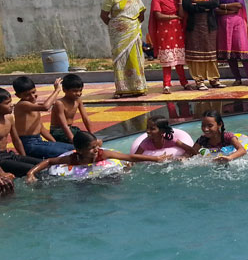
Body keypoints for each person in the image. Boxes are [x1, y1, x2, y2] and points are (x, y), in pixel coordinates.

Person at [25, 129, 168, 182]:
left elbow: (129, 157)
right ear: (79, 151)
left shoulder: (103, 154)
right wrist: (31, 173)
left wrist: (156, 159)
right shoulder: (73, 158)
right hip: (81, 177)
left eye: (96, 146)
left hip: (105, 174)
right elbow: (49, 161)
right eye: (92, 148)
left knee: (114, 178)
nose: (96, 150)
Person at [100, 0, 148, 97]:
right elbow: (104, 15)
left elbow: (141, 14)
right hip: (118, 36)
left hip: (133, 33)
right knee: (120, 60)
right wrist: (116, 27)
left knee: (135, 59)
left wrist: (131, 25)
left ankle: (139, 87)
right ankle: (122, 89)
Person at [0, 86, 44, 179]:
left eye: (11, 101)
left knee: (42, 164)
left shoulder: (9, 118)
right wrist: (1, 173)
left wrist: (24, 158)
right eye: (7, 103)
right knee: (32, 169)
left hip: (7, 155)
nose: (11, 105)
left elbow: (16, 140)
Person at [148, 0, 189, 93]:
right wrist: (174, 17)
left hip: (177, 31)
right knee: (167, 60)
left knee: (179, 59)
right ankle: (166, 85)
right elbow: (158, 15)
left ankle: (184, 83)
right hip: (164, 31)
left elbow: (182, 15)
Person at [181, 0, 222, 90]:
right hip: (194, 25)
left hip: (209, 25)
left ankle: (214, 79)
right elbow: (187, 5)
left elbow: (216, 3)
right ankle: (199, 80)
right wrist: (206, 6)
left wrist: (198, 3)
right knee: (196, 53)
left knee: (210, 52)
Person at [12, 76, 71, 158]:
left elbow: (41, 129)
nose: (32, 96)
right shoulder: (22, 105)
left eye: (33, 92)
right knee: (67, 154)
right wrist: (57, 90)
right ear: (18, 96)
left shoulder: (33, 106)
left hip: (38, 140)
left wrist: (54, 143)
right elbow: (45, 107)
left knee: (73, 149)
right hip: (29, 144)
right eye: (27, 95)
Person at [214, 0, 248, 87]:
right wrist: (228, 10)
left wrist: (223, 6)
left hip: (237, 24)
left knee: (243, 50)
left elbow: (238, 5)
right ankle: (237, 78)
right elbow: (215, 8)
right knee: (229, 52)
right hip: (223, 26)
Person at [176, 110, 247, 163]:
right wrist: (184, 157)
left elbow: (242, 150)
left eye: (210, 126)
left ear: (219, 125)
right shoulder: (202, 139)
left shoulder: (228, 137)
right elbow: (192, 152)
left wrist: (229, 157)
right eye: (203, 125)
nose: (205, 129)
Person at [50, 73, 91, 143]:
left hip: (70, 129)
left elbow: (85, 118)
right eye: (75, 91)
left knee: (91, 141)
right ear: (64, 90)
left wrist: (92, 135)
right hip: (58, 131)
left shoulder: (78, 100)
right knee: (82, 143)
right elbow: (64, 125)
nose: (78, 93)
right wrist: (72, 139)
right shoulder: (59, 103)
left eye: (80, 90)